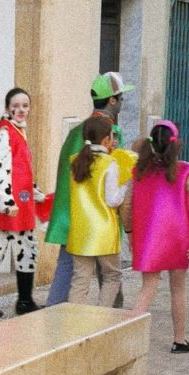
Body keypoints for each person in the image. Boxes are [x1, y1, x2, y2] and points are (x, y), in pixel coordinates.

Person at [45, 71, 135, 306]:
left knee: (71, 273)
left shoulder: (79, 132)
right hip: (100, 222)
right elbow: (116, 183)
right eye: (122, 98)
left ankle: (54, 324)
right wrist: (129, 226)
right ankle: (107, 324)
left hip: (71, 218)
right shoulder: (111, 134)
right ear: (112, 100)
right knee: (111, 276)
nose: (123, 103)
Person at [120, 120, 189, 353]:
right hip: (180, 237)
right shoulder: (185, 171)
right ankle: (179, 340)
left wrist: (129, 231)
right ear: (175, 144)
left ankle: (127, 340)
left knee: (148, 287)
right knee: (178, 288)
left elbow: (126, 206)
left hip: (149, 239)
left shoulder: (139, 172)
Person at [0, 87, 52, 318]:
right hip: (9, 206)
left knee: (24, 248)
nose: (21, 110)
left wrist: (34, 192)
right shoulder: (5, 132)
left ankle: (21, 300)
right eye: (16, 106)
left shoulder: (16, 131)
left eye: (25, 106)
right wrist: (5, 200)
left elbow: (19, 170)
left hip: (18, 203)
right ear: (8, 108)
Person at [66, 114, 129, 306]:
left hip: (79, 231)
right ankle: (101, 319)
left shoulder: (75, 160)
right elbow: (112, 200)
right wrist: (127, 185)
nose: (115, 141)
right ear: (105, 140)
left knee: (80, 280)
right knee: (112, 276)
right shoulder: (109, 164)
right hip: (103, 231)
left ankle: (73, 323)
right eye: (112, 136)